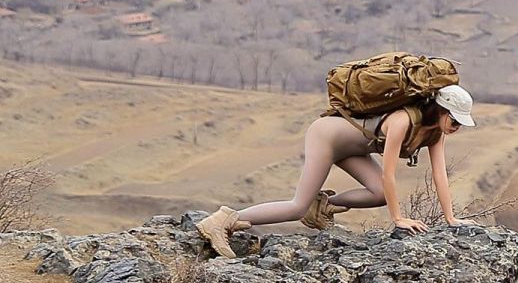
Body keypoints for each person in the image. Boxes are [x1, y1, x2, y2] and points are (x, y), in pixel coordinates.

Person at [195, 82, 476, 255]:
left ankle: (324, 206)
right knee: (296, 207)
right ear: (440, 110)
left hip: (353, 149)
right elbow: (390, 173)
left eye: (460, 123)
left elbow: (440, 175)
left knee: (378, 193)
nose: (457, 127)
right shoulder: (402, 121)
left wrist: (451, 219)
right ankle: (224, 220)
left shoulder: (434, 134)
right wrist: (398, 218)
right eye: (454, 120)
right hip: (326, 138)